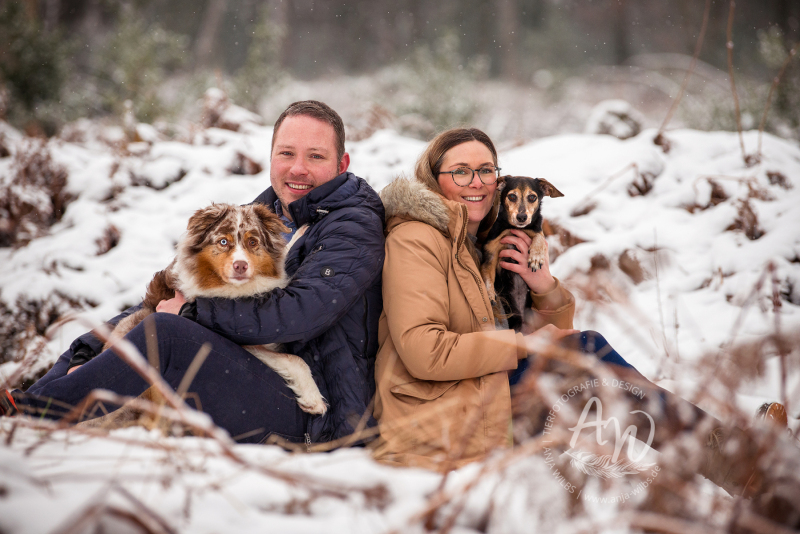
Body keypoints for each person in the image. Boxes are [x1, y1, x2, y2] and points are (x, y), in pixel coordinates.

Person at [372, 127, 790, 497]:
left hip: (479, 389)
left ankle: (734, 459)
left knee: (586, 357)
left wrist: (545, 290)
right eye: (460, 171)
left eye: (486, 171)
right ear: (433, 178)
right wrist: (523, 344)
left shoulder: (475, 238)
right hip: (437, 415)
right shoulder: (417, 239)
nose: (477, 182)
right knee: (588, 358)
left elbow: (550, 338)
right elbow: (422, 350)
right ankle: (733, 458)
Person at [1, 100, 385, 446]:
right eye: (287, 153)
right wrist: (86, 351)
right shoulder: (260, 214)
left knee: (167, 334)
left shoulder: (353, 225)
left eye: (315, 156)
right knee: (136, 328)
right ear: (271, 157)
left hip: (319, 417)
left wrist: (189, 312)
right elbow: (171, 292)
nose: (298, 169)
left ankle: (34, 417)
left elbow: (296, 316)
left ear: (342, 164)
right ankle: (22, 407)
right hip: (258, 376)